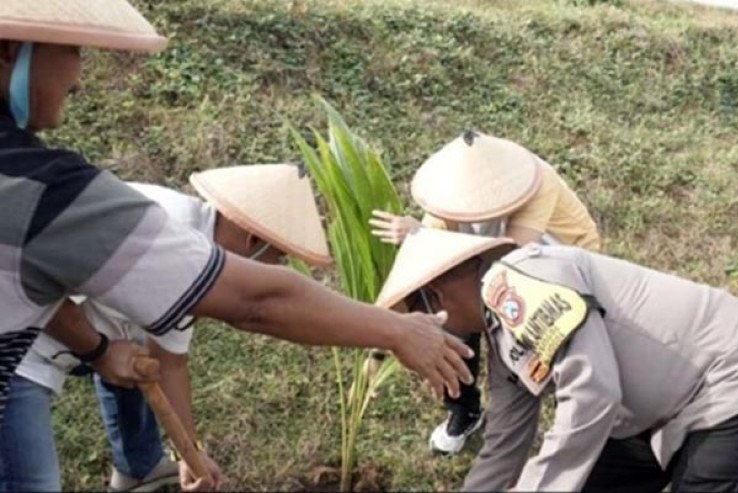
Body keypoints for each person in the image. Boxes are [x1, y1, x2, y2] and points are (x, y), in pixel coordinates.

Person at [0, 3, 473, 492]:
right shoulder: (53, 192)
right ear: (10, 47)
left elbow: (159, 352)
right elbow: (257, 301)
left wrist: (188, 448)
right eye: (73, 49)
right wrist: (395, 330)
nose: (80, 77)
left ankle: (138, 467)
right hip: (25, 365)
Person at [375, 227, 738, 492]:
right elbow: (504, 445)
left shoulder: (515, 284)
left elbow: (593, 394)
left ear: (437, 299)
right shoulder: (502, 332)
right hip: (653, 413)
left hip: (733, 384)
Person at [12, 164, 332, 491]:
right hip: (17, 339)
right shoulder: (163, 233)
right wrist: (99, 350)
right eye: (276, 260)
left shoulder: (198, 251)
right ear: (252, 240)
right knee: (29, 481)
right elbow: (23, 281)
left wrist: (190, 454)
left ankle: (139, 468)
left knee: (133, 352)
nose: (273, 270)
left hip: (66, 324)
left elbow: (169, 361)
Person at [369, 130, 601, 454]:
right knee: (450, 318)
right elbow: (432, 267)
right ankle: (465, 410)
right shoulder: (446, 198)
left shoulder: (537, 182)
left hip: (559, 261)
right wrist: (422, 239)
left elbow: (514, 263)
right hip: (489, 261)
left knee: (532, 339)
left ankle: (573, 408)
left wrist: (423, 235)